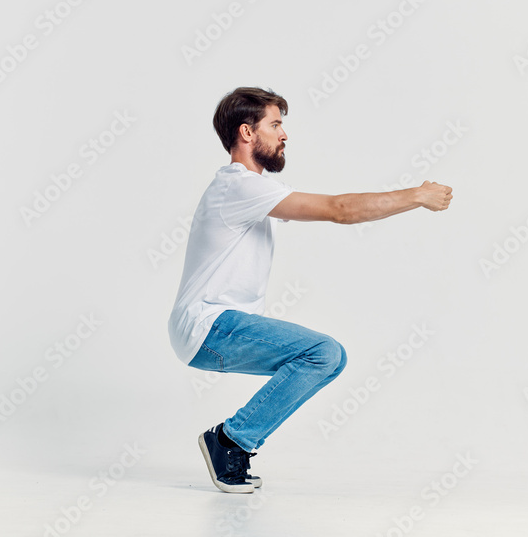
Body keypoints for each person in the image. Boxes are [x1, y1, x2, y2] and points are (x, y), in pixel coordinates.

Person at [167, 86, 453, 493]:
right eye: (276, 125)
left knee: (327, 360)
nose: (284, 135)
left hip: (211, 329)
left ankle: (233, 440)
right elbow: (341, 210)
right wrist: (417, 195)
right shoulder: (240, 187)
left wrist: (410, 201)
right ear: (247, 133)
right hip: (208, 325)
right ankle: (230, 440)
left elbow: (339, 210)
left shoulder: (249, 191)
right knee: (322, 352)